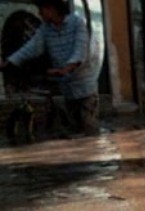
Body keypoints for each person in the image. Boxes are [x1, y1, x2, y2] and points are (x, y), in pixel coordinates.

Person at [0, 0, 103, 136]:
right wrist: (9, 62)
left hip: (84, 86)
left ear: (51, 9)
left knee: (89, 126)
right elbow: (31, 48)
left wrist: (66, 69)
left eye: (41, 10)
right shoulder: (45, 29)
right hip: (67, 88)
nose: (39, 13)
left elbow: (80, 50)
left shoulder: (77, 23)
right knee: (75, 128)